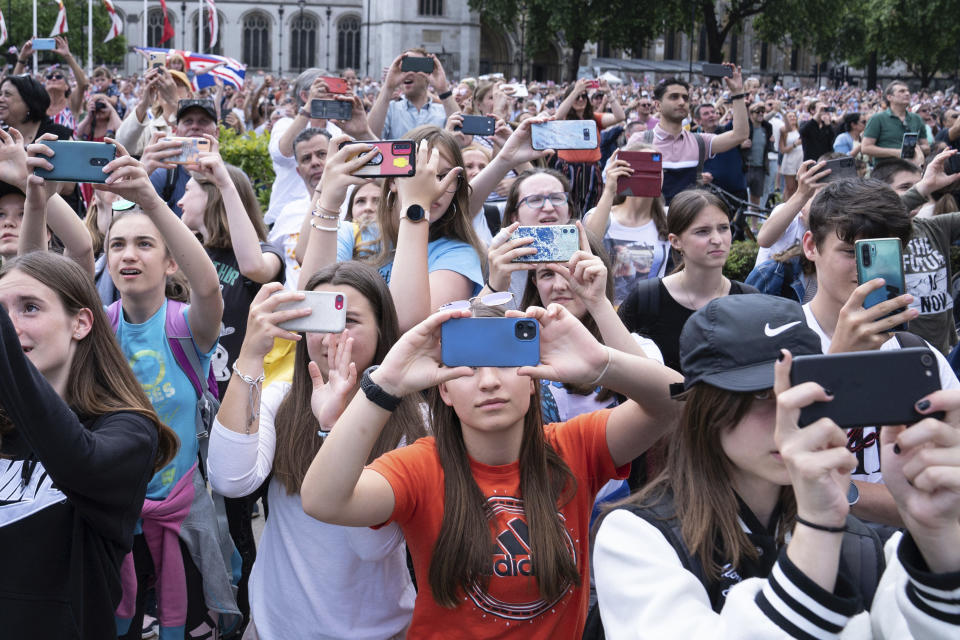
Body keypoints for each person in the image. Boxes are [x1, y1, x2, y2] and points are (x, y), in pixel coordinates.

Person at [298, 298, 682, 638]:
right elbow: (322, 500)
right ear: (444, 389)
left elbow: (679, 403)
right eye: (467, 368)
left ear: (533, 379)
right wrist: (387, 382)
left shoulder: (577, 446)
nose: (488, 382)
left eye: (504, 361)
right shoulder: (421, 466)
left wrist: (600, 362)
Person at [594, 293, 960, 639]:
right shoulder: (637, 537)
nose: (789, 418)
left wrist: (936, 532)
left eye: (805, 393)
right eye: (760, 396)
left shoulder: (866, 546)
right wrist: (818, 526)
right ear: (704, 409)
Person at [208, 262, 425, 639]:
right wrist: (250, 352)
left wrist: (334, 430)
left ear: (382, 330)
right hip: (275, 626)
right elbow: (229, 479)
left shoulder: (415, 419)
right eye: (320, 320)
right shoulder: (283, 399)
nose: (330, 338)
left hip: (377, 630)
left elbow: (370, 546)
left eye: (350, 320)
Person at [91, 144, 239, 638]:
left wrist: (151, 201)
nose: (129, 254)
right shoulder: (95, 330)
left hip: (181, 515)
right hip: (116, 513)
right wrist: (37, 194)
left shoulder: (185, 328)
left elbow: (210, 291)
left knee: (186, 624)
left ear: (171, 263)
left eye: (145, 244)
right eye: (117, 245)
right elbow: (52, 263)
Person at [0, 250, 177, 639]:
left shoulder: (128, 430)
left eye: (29, 308)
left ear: (80, 323)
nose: (11, 327)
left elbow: (80, 461)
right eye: (3, 312)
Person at [798, 177, 960, 528]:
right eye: (849, 251)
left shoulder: (918, 354)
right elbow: (779, 469)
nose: (864, 270)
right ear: (811, 246)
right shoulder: (783, 348)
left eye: (880, 254)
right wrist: (836, 363)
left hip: (912, 555)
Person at [303, 127, 485, 332]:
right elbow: (312, 305)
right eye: (417, 174)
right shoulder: (352, 232)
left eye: (444, 176)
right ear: (392, 182)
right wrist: (328, 200)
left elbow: (407, 326)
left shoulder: (459, 254)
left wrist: (416, 205)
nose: (432, 186)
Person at [618, 189, 759, 373]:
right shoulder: (647, 298)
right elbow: (616, 367)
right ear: (676, 241)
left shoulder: (749, 300)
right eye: (702, 231)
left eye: (724, 228)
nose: (717, 239)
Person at [644, 71, 748, 204]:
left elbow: (740, 134)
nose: (681, 102)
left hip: (689, 220)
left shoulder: (699, 141)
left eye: (685, 98)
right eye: (674, 97)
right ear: (658, 105)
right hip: (654, 222)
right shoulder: (642, 140)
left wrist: (738, 93)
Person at [585, 145, 670, 306]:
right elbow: (589, 244)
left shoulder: (669, 218)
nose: (650, 172)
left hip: (649, 312)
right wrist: (609, 189)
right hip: (604, 310)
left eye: (656, 166)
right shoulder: (602, 215)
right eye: (641, 166)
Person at [552, 78, 625, 212]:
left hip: (591, 170)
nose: (581, 99)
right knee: (566, 208)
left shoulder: (594, 119)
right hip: (568, 169)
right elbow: (556, 116)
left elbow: (620, 117)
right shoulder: (563, 119)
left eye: (584, 96)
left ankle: (588, 233)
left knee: (591, 209)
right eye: (577, 97)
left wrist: (609, 92)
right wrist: (575, 91)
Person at [143, 98, 220, 217]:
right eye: (188, 121)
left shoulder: (232, 179)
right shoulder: (161, 175)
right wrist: (141, 174)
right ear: (176, 131)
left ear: (217, 132)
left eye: (203, 121)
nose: (195, 126)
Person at [368, 49, 460, 140]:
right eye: (404, 68)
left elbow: (461, 138)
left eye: (414, 66)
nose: (408, 73)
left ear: (427, 73)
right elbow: (368, 138)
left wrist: (443, 90)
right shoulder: (390, 110)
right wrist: (388, 87)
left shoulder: (443, 111)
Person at [862, 82, 928, 165]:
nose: (907, 93)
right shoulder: (877, 119)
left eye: (908, 91)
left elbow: (926, 147)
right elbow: (865, 148)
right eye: (902, 91)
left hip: (912, 169)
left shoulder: (916, 118)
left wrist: (914, 149)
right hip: (886, 169)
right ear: (889, 97)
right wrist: (897, 152)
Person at [697, 103, 748, 202]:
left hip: (737, 193)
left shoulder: (730, 132)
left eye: (713, 112)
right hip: (711, 195)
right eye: (706, 113)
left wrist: (740, 101)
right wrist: (698, 177)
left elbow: (741, 125)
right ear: (698, 121)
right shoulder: (696, 141)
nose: (711, 115)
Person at [743, 102, 773, 205]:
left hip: (760, 168)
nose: (761, 114)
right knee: (742, 196)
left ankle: (755, 221)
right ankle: (742, 219)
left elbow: (768, 148)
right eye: (757, 112)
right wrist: (741, 145)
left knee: (756, 197)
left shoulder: (767, 129)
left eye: (762, 112)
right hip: (745, 167)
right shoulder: (745, 129)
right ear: (751, 114)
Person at [778, 111, 804, 200]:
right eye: (790, 116)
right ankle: (785, 207)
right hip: (789, 161)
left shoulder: (800, 130)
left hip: (800, 161)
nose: (793, 118)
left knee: (798, 188)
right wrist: (795, 144)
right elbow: (782, 150)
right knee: (790, 188)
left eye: (794, 116)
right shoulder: (784, 132)